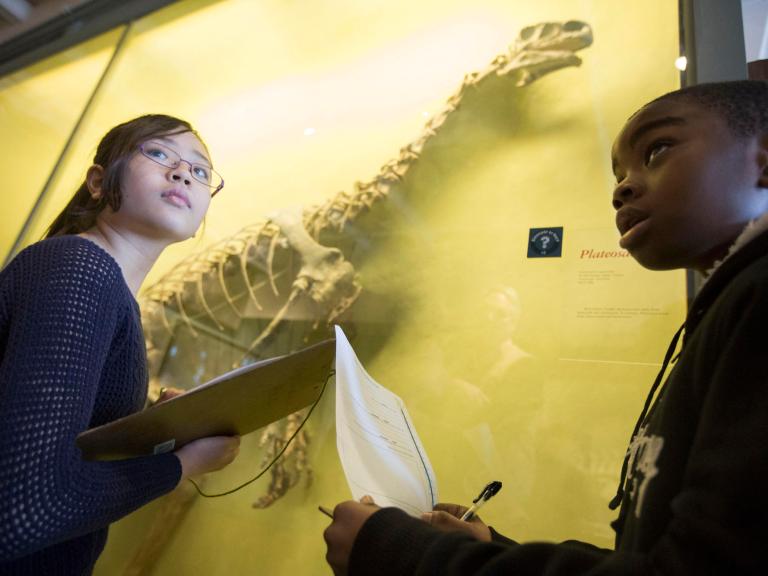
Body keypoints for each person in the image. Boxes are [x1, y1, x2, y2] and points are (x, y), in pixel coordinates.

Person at [322, 80, 768, 575]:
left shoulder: (758, 297)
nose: (622, 187)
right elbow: (654, 556)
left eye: (657, 150)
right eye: (617, 173)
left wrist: (401, 554)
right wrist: (489, 546)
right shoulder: (731, 304)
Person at [0, 114, 241, 574]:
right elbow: (21, 511)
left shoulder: (103, 288)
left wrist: (156, 434)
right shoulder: (82, 269)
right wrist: (180, 467)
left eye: (201, 171)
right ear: (98, 181)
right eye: (158, 154)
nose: (182, 173)